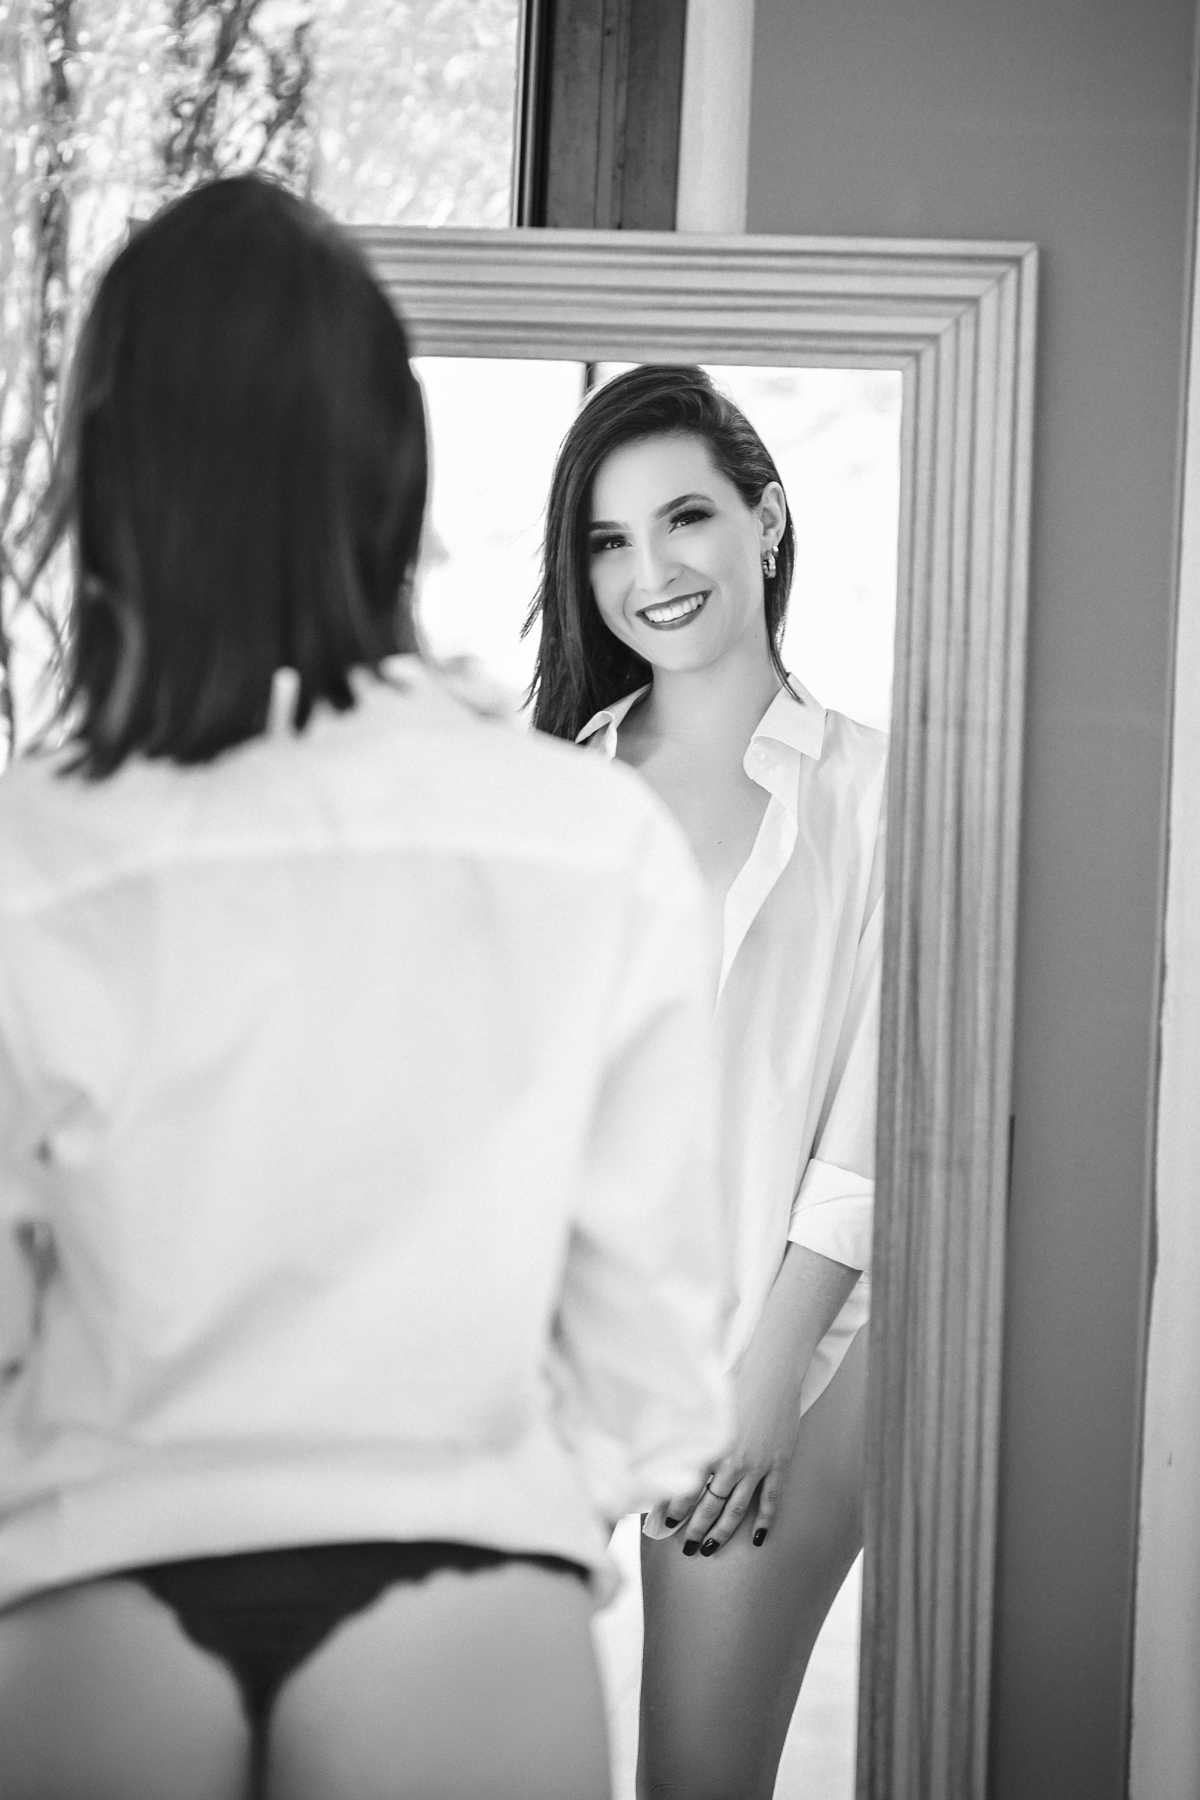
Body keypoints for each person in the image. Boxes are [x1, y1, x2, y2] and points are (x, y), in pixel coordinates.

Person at [0, 183, 733, 1800]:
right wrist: (513, 1502)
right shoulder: (590, 837)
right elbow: (651, 1356)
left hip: (93, 1578)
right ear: (390, 464)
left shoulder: (26, 853)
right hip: (467, 1587)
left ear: (108, 471)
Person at [527, 362, 887, 1800]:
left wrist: (761, 1383)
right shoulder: (548, 788)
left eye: (685, 518)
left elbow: (876, 1113)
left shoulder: (878, 793)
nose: (652, 573)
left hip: (776, 1349)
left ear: (767, 519)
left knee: (697, 1776)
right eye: (608, 541)